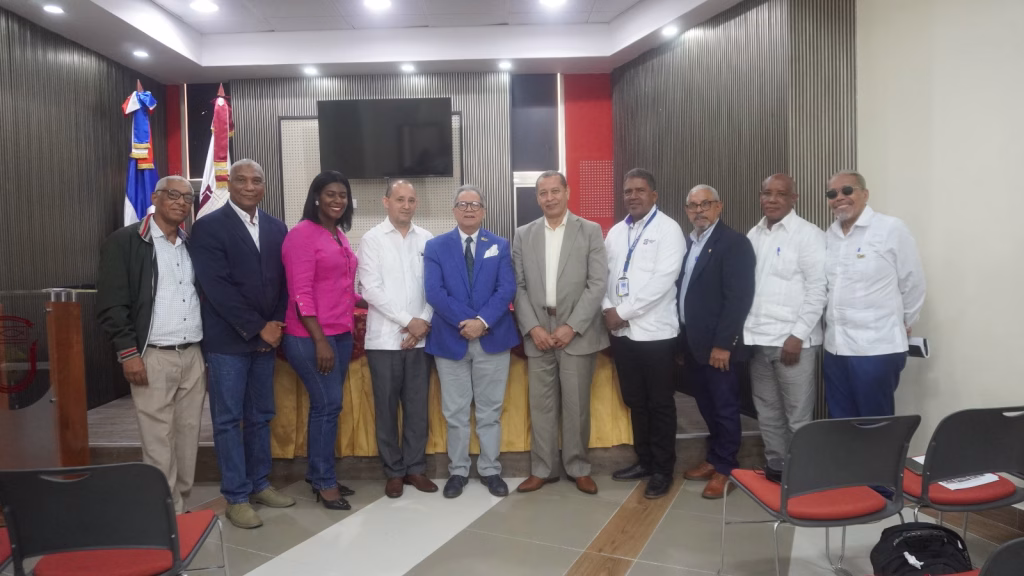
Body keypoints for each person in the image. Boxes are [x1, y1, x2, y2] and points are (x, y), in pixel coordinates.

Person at [190, 159, 295, 529]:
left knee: (260, 416)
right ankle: (236, 496)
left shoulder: (277, 227)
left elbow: (285, 282)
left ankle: (259, 484)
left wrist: (275, 324)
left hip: (266, 340)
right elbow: (216, 287)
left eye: (256, 180)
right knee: (228, 420)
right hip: (228, 342)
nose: (250, 186)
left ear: (264, 186)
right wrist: (257, 327)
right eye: (242, 180)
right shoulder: (208, 227)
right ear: (229, 184)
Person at [97, 175, 205, 514]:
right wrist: (128, 353)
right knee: (158, 440)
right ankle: (166, 512)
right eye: (172, 194)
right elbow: (112, 304)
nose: (181, 202)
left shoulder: (190, 245)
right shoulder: (125, 242)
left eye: (187, 198)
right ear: (155, 198)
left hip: (193, 354)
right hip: (152, 355)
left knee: (188, 436)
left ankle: (181, 504)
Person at [512, 171, 608, 496]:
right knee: (540, 406)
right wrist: (533, 327)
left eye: (555, 191)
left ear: (567, 192)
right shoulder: (523, 234)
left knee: (576, 405)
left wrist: (572, 326)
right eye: (543, 193)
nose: (549, 198)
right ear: (537, 198)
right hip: (538, 331)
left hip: (576, 332)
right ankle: (543, 469)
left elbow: (597, 284)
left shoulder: (590, 230)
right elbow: (518, 287)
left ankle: (578, 467)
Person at [424, 185, 519, 499]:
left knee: (490, 411)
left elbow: (506, 289)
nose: (469, 209)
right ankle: (458, 471)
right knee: (455, 412)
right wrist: (467, 322)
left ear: (484, 211)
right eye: (463, 204)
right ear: (454, 210)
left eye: (475, 204)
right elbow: (434, 292)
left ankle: (491, 470)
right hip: (450, 339)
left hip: (492, 338)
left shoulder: (499, 245)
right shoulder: (435, 246)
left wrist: (482, 322)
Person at [603, 168, 685, 499]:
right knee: (635, 401)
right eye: (628, 191)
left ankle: (663, 470)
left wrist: (621, 312)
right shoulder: (615, 232)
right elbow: (604, 276)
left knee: (660, 403)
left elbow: (663, 282)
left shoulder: (669, 229)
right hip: (623, 335)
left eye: (639, 190)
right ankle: (645, 461)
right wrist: (608, 308)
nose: (633, 196)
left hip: (656, 334)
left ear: (654, 195)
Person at [281, 171, 359, 510]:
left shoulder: (338, 234)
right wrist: (320, 340)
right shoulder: (301, 235)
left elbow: (340, 286)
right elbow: (300, 293)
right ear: (316, 197)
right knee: (328, 406)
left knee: (326, 407)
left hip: (341, 333)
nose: (337, 200)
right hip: (310, 337)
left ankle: (318, 473)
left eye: (343, 195)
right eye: (330, 194)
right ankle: (325, 482)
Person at [357, 180, 438, 499]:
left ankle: (415, 468)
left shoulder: (427, 239)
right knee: (387, 408)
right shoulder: (372, 239)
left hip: (421, 339)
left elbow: (435, 286)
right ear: (386, 202)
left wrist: (423, 321)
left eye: (411, 200)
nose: (406, 205)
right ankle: (393, 471)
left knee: (417, 408)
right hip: (384, 341)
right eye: (400, 199)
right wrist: (409, 322)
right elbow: (371, 289)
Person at [823, 170, 925, 418]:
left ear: (865, 194)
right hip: (836, 348)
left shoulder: (890, 228)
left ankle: (879, 449)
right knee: (840, 423)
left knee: (875, 425)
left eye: (847, 190)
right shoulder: (829, 236)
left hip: (876, 348)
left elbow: (913, 281)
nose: (839, 197)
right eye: (832, 193)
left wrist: (903, 321)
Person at [677, 185, 756, 499]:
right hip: (692, 344)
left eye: (705, 204)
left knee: (725, 407)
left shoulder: (734, 243)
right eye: (693, 205)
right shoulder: (689, 243)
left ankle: (727, 468)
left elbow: (739, 298)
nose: (699, 210)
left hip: (718, 347)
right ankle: (714, 457)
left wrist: (724, 344)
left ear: (719, 206)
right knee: (706, 404)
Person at [744, 174, 826, 465]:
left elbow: (818, 289)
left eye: (780, 194)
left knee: (798, 417)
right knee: (767, 414)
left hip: (793, 345)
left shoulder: (809, 234)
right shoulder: (753, 235)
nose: (772, 199)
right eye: (767, 193)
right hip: (758, 340)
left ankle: (802, 475)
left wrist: (798, 335)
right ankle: (777, 469)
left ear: (794, 199)